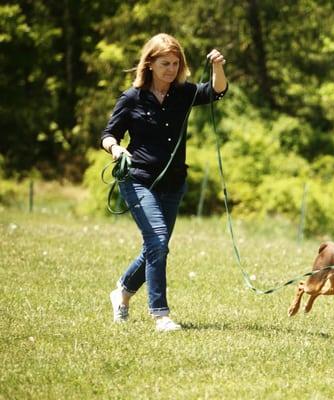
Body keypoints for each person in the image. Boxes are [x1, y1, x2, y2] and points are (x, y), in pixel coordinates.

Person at [100, 33, 228, 332]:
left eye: (175, 63)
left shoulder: (183, 93)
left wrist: (218, 66)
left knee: (155, 247)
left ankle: (122, 292)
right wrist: (117, 149)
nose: (171, 69)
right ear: (150, 64)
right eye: (164, 63)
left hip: (173, 183)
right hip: (137, 179)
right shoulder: (132, 98)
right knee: (157, 242)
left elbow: (217, 92)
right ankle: (161, 315)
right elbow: (108, 134)